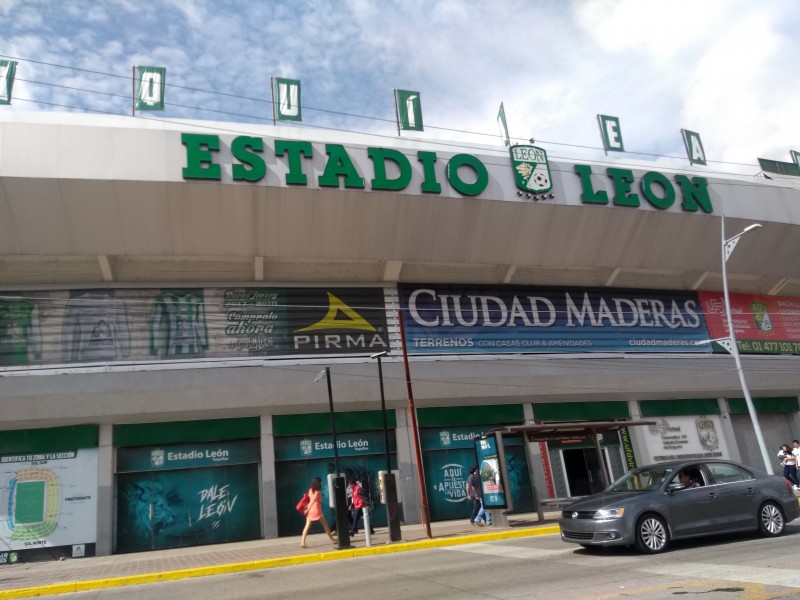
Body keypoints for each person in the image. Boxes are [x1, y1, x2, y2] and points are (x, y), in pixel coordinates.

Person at [300, 477, 336, 548]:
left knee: (307, 526)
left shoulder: (310, 490)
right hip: (316, 509)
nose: (321, 483)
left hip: (310, 510)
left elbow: (310, 500)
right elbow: (313, 501)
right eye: (320, 482)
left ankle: (302, 542)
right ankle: (332, 540)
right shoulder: (317, 492)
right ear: (319, 483)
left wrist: (307, 509)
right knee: (325, 525)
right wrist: (307, 509)